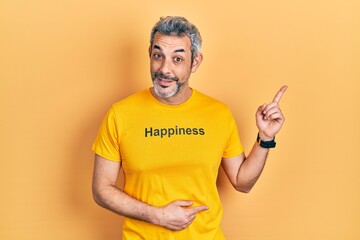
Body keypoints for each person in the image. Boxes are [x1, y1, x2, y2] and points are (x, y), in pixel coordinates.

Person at [92, 16, 287, 239]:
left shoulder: (218, 114)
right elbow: (101, 189)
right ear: (149, 54)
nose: (164, 69)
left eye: (177, 59)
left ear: (195, 62)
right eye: (158, 56)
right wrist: (158, 216)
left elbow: (242, 183)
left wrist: (265, 138)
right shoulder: (120, 114)